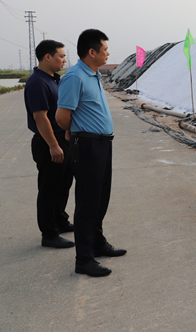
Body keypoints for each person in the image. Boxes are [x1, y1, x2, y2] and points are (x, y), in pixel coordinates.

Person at [56, 29, 126, 278]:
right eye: (105, 49)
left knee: (100, 198)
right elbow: (61, 116)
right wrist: (73, 130)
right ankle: (84, 259)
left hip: (102, 144)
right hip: (87, 145)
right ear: (92, 52)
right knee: (87, 201)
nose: (108, 53)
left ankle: (97, 243)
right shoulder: (74, 77)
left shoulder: (93, 74)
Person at [24, 40, 75, 249]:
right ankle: (49, 234)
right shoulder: (38, 82)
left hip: (62, 138)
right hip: (48, 141)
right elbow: (40, 117)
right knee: (49, 188)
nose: (64, 60)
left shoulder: (54, 80)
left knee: (63, 184)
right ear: (48, 57)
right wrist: (54, 145)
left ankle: (60, 221)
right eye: (61, 56)